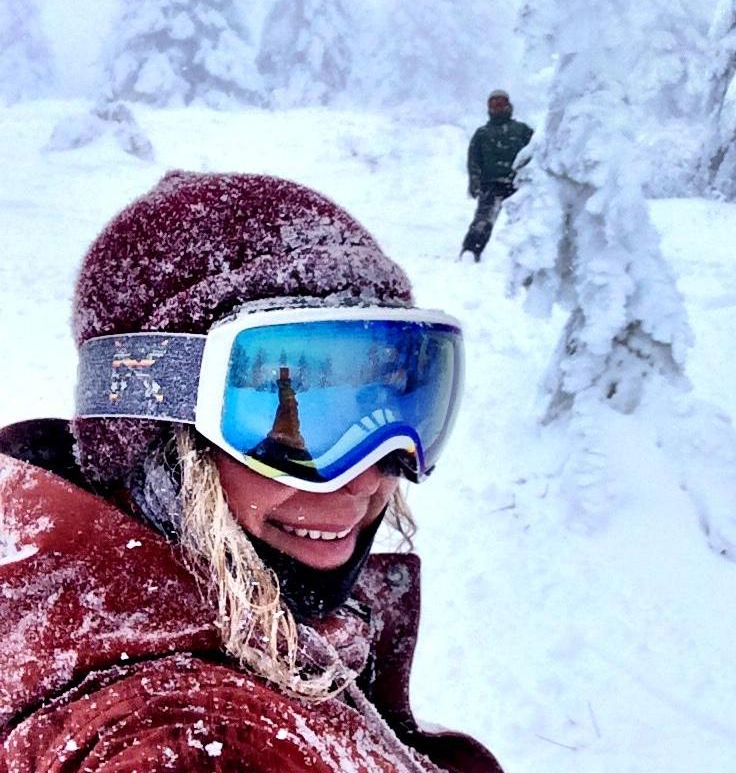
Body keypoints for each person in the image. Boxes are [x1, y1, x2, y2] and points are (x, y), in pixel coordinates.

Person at [0, 171, 503, 773]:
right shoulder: (195, 737)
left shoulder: (54, 598)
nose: (367, 477)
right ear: (152, 435)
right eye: (302, 417)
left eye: (396, 404)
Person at [460, 90, 533, 262]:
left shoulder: (522, 130)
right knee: (483, 222)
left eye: (501, 104)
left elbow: (536, 151)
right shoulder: (482, 133)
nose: (497, 108)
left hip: (518, 185)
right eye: (493, 105)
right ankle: (470, 252)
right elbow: (474, 160)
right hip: (491, 185)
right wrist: (475, 182)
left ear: (509, 106)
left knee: (525, 222)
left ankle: (527, 259)